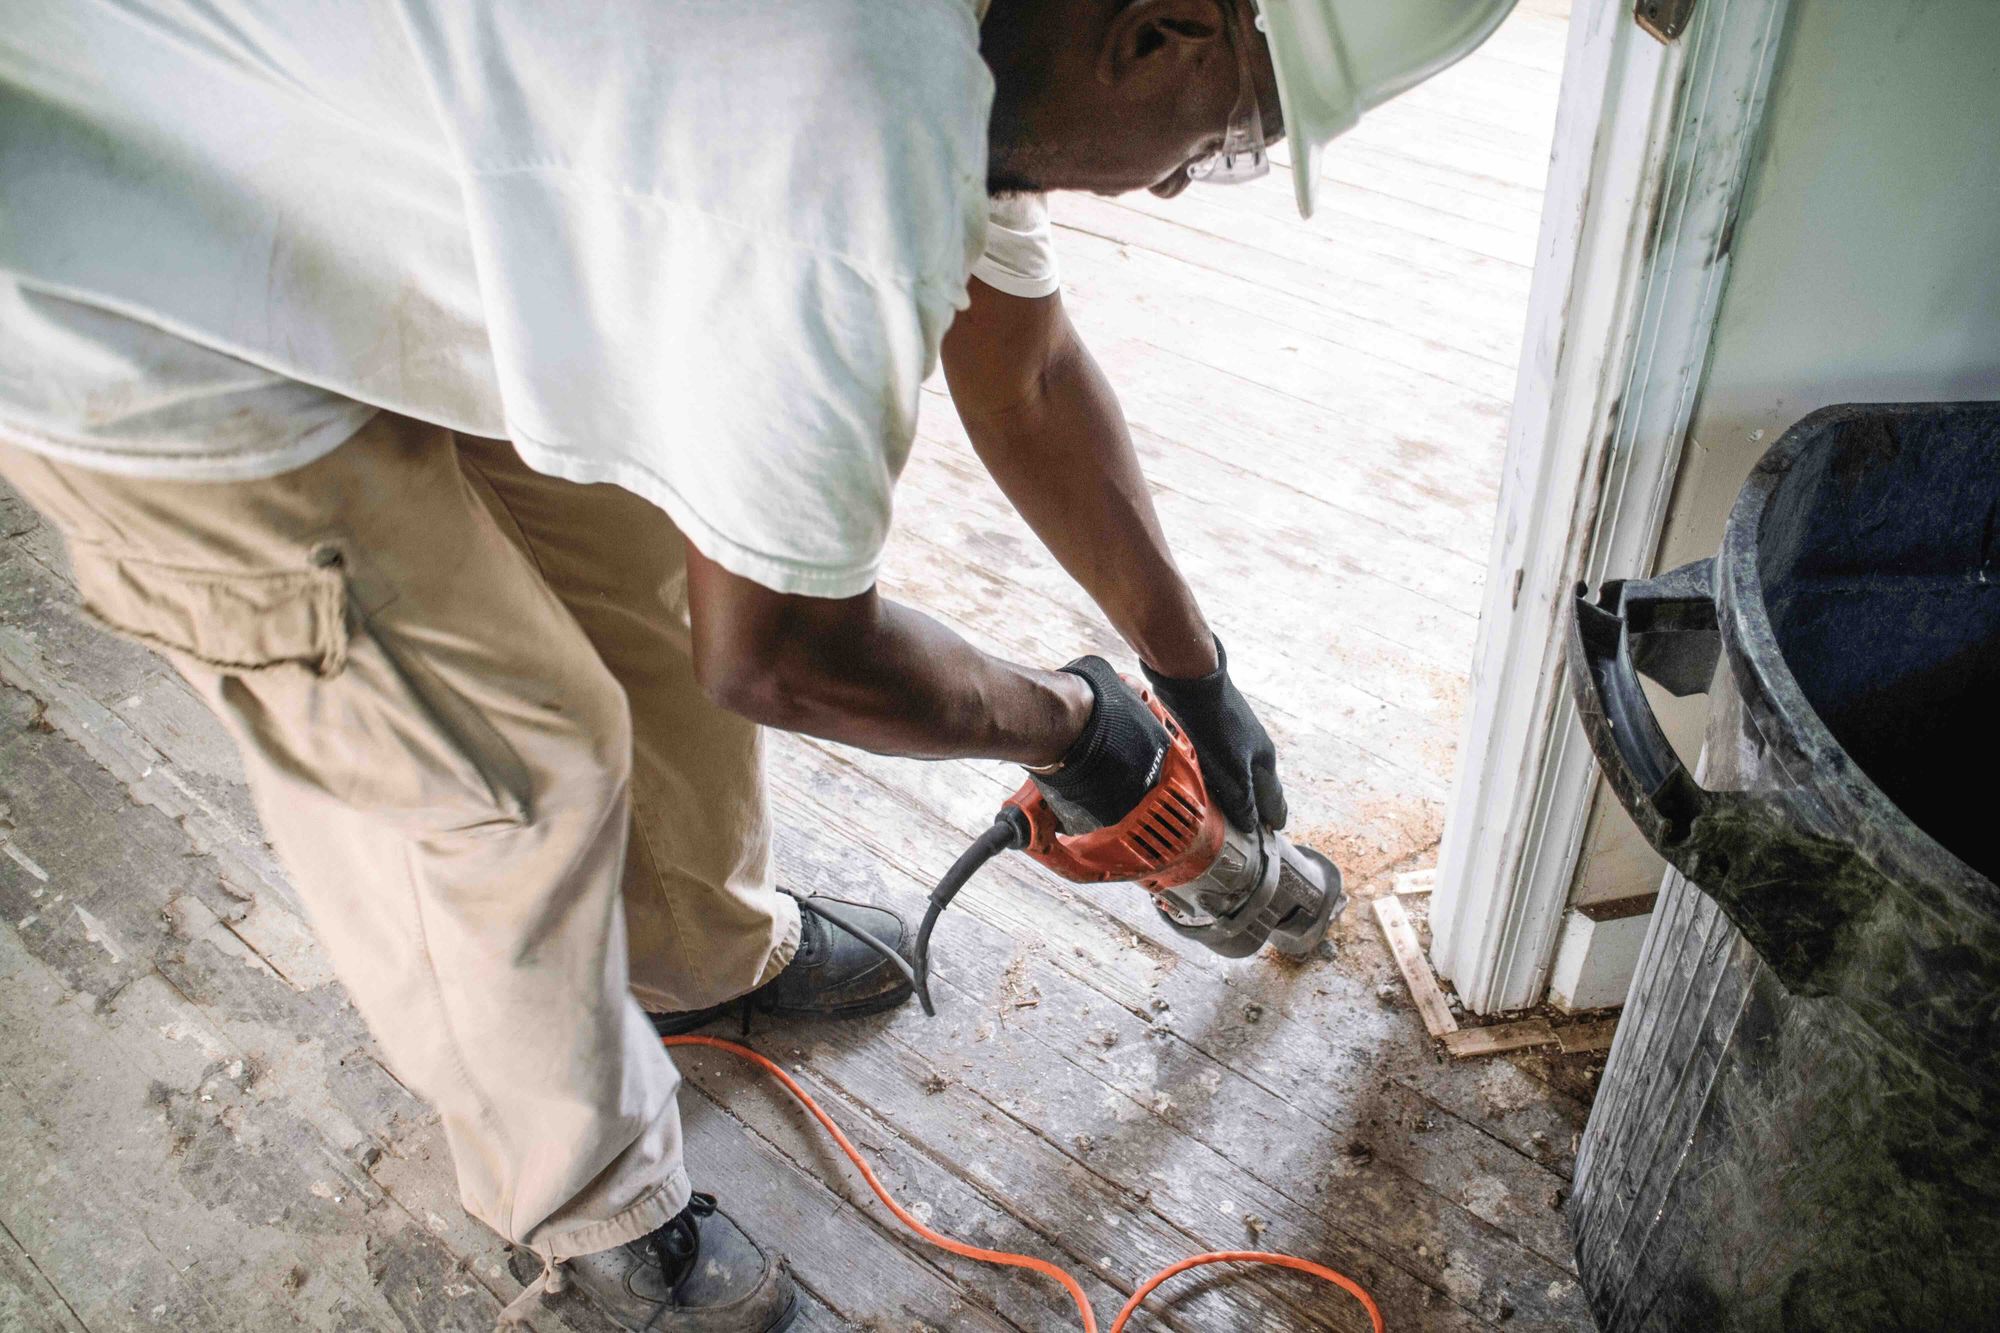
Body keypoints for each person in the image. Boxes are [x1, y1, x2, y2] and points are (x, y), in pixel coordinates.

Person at [0, 0, 1508, 1327]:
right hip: (130, 257)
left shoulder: (978, 46)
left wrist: (1187, 666)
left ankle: (695, 953)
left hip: (376, 173)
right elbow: (785, 654)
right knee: (501, 764)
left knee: (649, 578)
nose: (1187, 178)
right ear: (1162, 29)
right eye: (1235, 137)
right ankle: (583, 1202)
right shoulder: (844, 127)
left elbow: (1027, 364)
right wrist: (1073, 725)